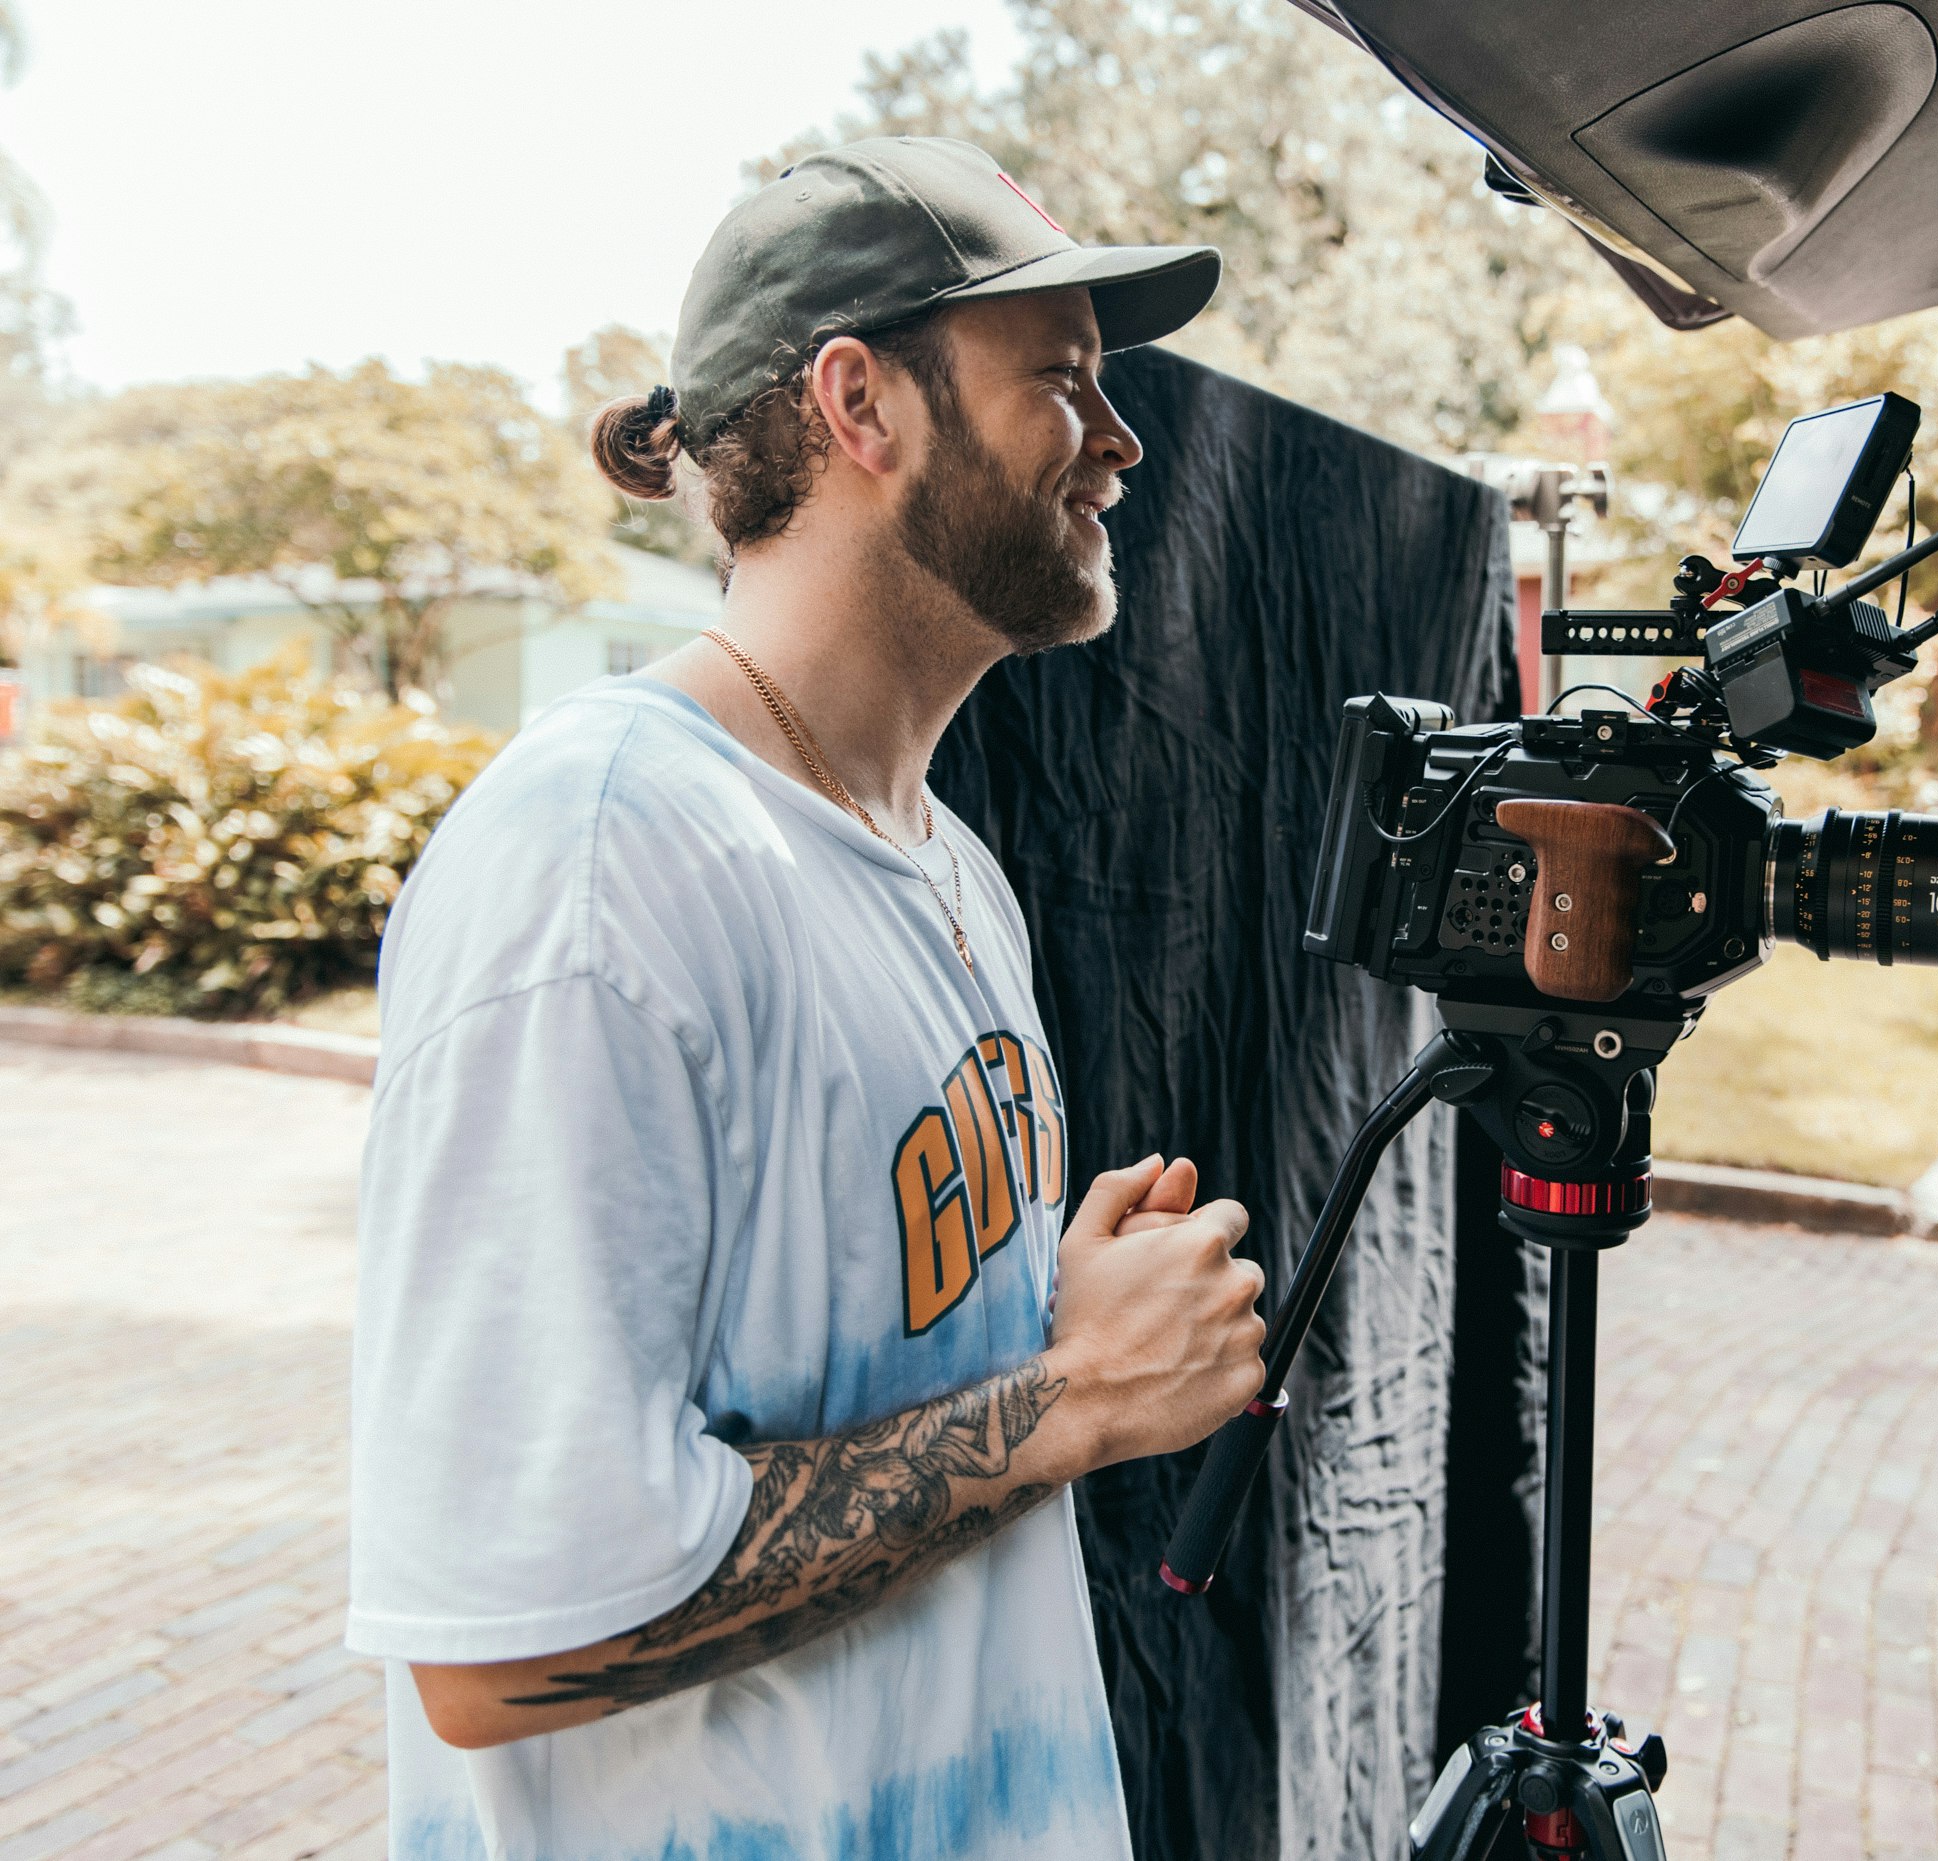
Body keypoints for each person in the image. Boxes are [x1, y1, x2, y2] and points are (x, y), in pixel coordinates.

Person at [346, 138, 1262, 1861]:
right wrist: (1070, 1395)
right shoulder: (601, 863)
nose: (1123, 442)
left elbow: (879, 1395)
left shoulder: (948, 861)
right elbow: (504, 1646)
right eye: (1063, 381)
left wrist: (1030, 1326)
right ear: (862, 402)